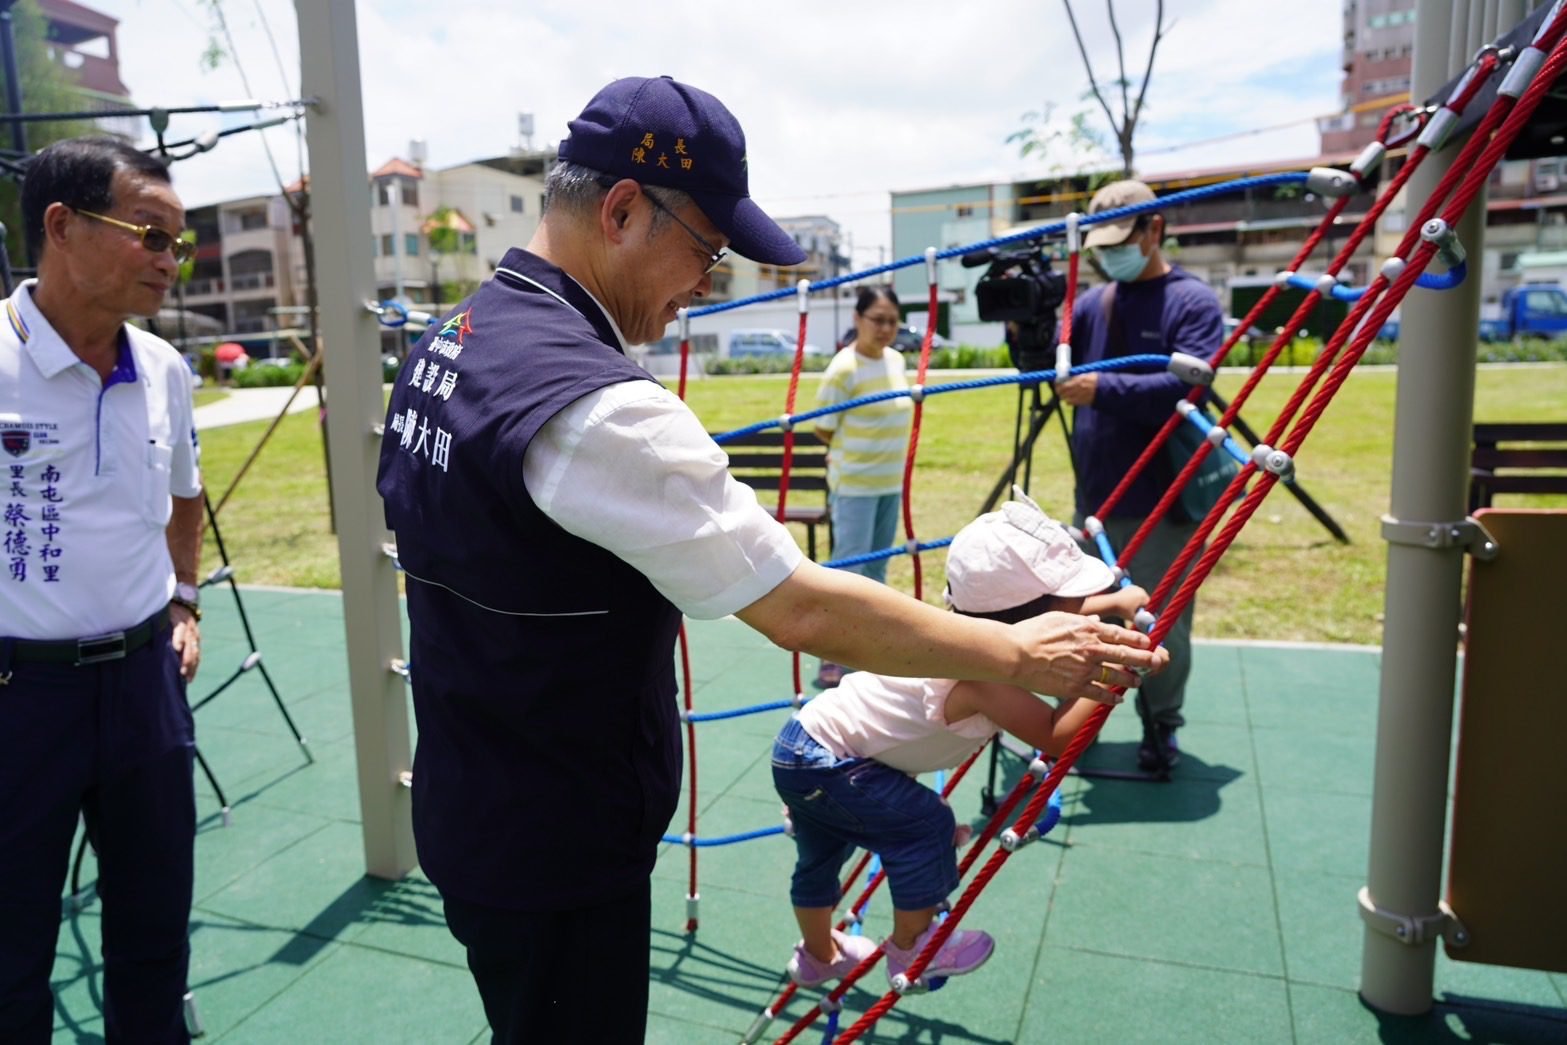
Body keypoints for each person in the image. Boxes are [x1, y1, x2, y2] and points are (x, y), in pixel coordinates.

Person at [376, 75, 1166, 1044]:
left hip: (471, 795)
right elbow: (796, 609)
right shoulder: (598, 406)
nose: (706, 282)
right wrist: (1014, 652)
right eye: (706, 249)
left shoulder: (448, 341)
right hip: (560, 839)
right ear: (622, 210)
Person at [774, 492, 1146, 991]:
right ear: (1031, 623)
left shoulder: (963, 625)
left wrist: (1113, 604)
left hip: (806, 747)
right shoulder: (978, 677)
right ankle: (914, 949)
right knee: (928, 827)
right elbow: (1058, 736)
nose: (1083, 619)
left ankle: (820, 957)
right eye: (1074, 609)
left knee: (821, 859)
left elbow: (1033, 615)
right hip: (830, 765)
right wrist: (1116, 668)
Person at [0, 137, 204, 1043]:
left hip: (142, 690)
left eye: (178, 245)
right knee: (11, 952)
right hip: (20, 696)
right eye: (149, 237)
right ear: (61, 226)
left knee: (154, 938)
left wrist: (185, 599)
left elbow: (183, 495)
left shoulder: (162, 370)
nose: (168, 263)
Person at [1056, 179, 1225, 772]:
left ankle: (1162, 726)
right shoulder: (1090, 303)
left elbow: (1189, 386)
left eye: (1120, 242)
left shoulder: (1191, 302)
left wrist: (1103, 387)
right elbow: (1056, 364)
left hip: (1164, 496)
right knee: (1087, 621)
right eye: (1100, 247)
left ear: (1155, 230)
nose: (1109, 256)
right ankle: (1076, 727)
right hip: (1096, 490)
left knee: (1159, 625)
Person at [811, 285, 913, 687]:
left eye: (892, 320)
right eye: (877, 320)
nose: (886, 328)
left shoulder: (897, 360)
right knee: (847, 571)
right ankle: (830, 655)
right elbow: (823, 427)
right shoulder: (844, 368)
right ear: (857, 319)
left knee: (877, 569)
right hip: (854, 485)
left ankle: (869, 647)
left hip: (890, 483)